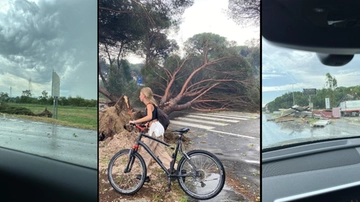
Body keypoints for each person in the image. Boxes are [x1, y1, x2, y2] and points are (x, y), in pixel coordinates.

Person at [129, 87, 173, 182]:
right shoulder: (152, 104)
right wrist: (145, 124)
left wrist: (134, 121)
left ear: (144, 95)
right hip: (158, 129)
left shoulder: (149, 105)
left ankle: (145, 175)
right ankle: (175, 169)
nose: (139, 96)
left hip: (155, 131)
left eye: (140, 94)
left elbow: (149, 116)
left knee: (145, 150)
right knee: (161, 152)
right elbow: (153, 118)